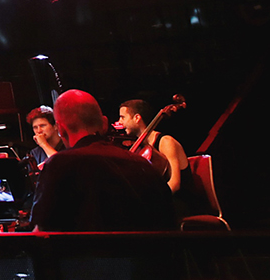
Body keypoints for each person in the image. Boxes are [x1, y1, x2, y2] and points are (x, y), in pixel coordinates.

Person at [32, 90, 176, 231]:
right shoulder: (142, 163)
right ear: (104, 123)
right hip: (146, 252)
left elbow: (42, 229)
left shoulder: (59, 164)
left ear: (61, 130)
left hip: (83, 253)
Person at [118, 99, 197, 215]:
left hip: (179, 203)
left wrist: (150, 202)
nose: (120, 122)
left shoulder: (166, 142)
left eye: (123, 117)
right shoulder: (141, 148)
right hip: (162, 202)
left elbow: (175, 183)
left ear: (137, 118)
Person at [26, 106, 63, 172]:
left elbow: (61, 166)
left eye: (42, 126)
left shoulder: (68, 145)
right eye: (35, 127)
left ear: (55, 126)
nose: (39, 130)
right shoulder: (35, 153)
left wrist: (44, 144)